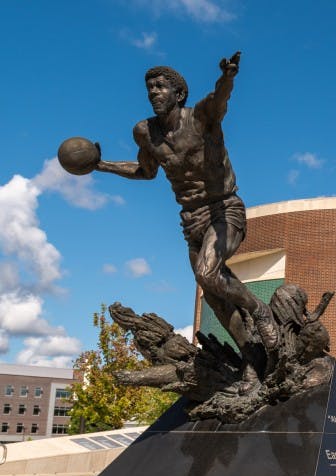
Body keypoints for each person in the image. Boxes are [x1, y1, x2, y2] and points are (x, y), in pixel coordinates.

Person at [94, 52, 278, 355]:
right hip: (191, 220)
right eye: (149, 87)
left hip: (224, 210)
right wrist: (102, 165)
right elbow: (146, 171)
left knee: (207, 274)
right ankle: (253, 361)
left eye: (160, 86)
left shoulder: (201, 118)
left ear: (179, 94)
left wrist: (227, 77)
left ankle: (259, 310)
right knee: (215, 296)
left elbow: (219, 100)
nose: (153, 92)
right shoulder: (145, 132)